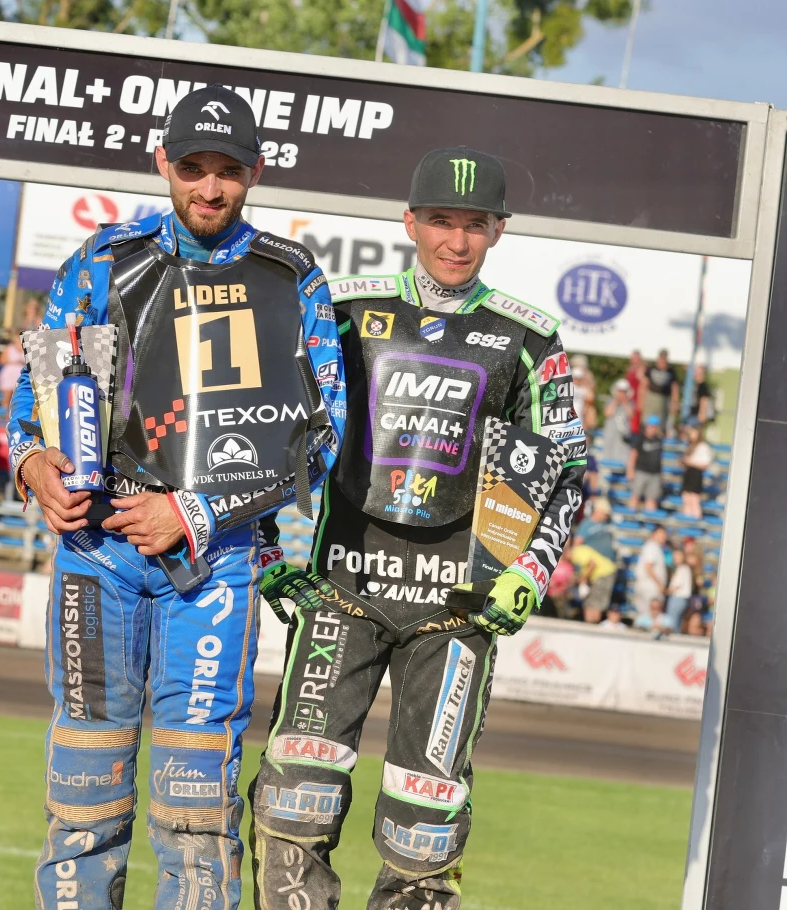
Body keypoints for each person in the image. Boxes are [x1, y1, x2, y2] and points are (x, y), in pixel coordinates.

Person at [8, 86, 345, 910]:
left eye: (227, 170)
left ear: (256, 172)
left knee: (195, 806)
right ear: (163, 162)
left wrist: (192, 512)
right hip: (98, 552)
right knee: (83, 794)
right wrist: (32, 464)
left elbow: (324, 435)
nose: (209, 187)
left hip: (216, 561)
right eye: (193, 167)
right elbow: (36, 392)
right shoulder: (103, 259)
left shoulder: (291, 275)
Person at [251, 147, 587, 910]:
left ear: (499, 230)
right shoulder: (341, 311)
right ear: (409, 222)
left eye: (475, 224)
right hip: (342, 595)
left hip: (457, 613)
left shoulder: (530, 339)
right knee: (293, 804)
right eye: (441, 220)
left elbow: (567, 468)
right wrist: (267, 549)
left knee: (424, 833)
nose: (456, 241)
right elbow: (272, 427)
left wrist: (530, 571)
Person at [626, 415, 665, 512]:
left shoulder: (658, 440)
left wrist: (661, 474)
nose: (653, 429)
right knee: (635, 496)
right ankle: (630, 516)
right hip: (641, 472)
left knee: (652, 499)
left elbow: (659, 459)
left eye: (655, 427)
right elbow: (633, 455)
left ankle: (650, 519)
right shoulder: (640, 438)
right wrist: (630, 470)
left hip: (654, 474)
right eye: (651, 426)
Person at [632, 525, 669, 621]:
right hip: (650, 586)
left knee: (646, 613)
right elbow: (648, 566)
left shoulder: (655, 547)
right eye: (661, 534)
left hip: (648, 585)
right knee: (650, 613)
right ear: (653, 534)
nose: (663, 537)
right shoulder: (652, 547)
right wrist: (659, 584)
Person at [680, 424, 714, 518]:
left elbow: (705, 464)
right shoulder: (690, 445)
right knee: (686, 498)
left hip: (696, 475)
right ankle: (687, 520)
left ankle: (696, 519)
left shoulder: (703, 446)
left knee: (694, 500)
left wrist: (690, 462)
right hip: (689, 474)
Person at [602, 378, 635, 467]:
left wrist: (625, 402)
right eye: (620, 391)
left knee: (622, 454)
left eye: (623, 391)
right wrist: (615, 402)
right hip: (610, 434)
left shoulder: (630, 403)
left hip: (623, 436)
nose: (621, 394)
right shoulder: (610, 401)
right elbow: (607, 413)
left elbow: (631, 414)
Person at [666, 548, 695, 627]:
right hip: (681, 599)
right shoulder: (684, 568)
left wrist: (665, 591)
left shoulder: (682, 568)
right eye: (674, 556)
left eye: (678, 555)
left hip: (677, 598)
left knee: (671, 623)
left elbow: (676, 586)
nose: (676, 558)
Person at [688, 363, 715, 427]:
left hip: (697, 416)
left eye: (697, 373)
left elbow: (704, 399)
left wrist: (702, 414)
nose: (694, 374)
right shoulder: (697, 385)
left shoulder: (702, 386)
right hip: (695, 413)